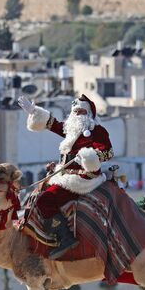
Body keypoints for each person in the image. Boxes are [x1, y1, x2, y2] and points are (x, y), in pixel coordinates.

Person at [18, 94, 114, 259]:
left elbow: (108, 152)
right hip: (65, 173)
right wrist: (34, 112)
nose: (77, 114)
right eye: (75, 111)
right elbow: (53, 124)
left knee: (44, 200)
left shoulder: (97, 130)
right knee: (37, 193)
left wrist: (88, 155)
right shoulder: (71, 129)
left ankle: (65, 238)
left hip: (83, 178)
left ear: (89, 113)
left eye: (81, 111)